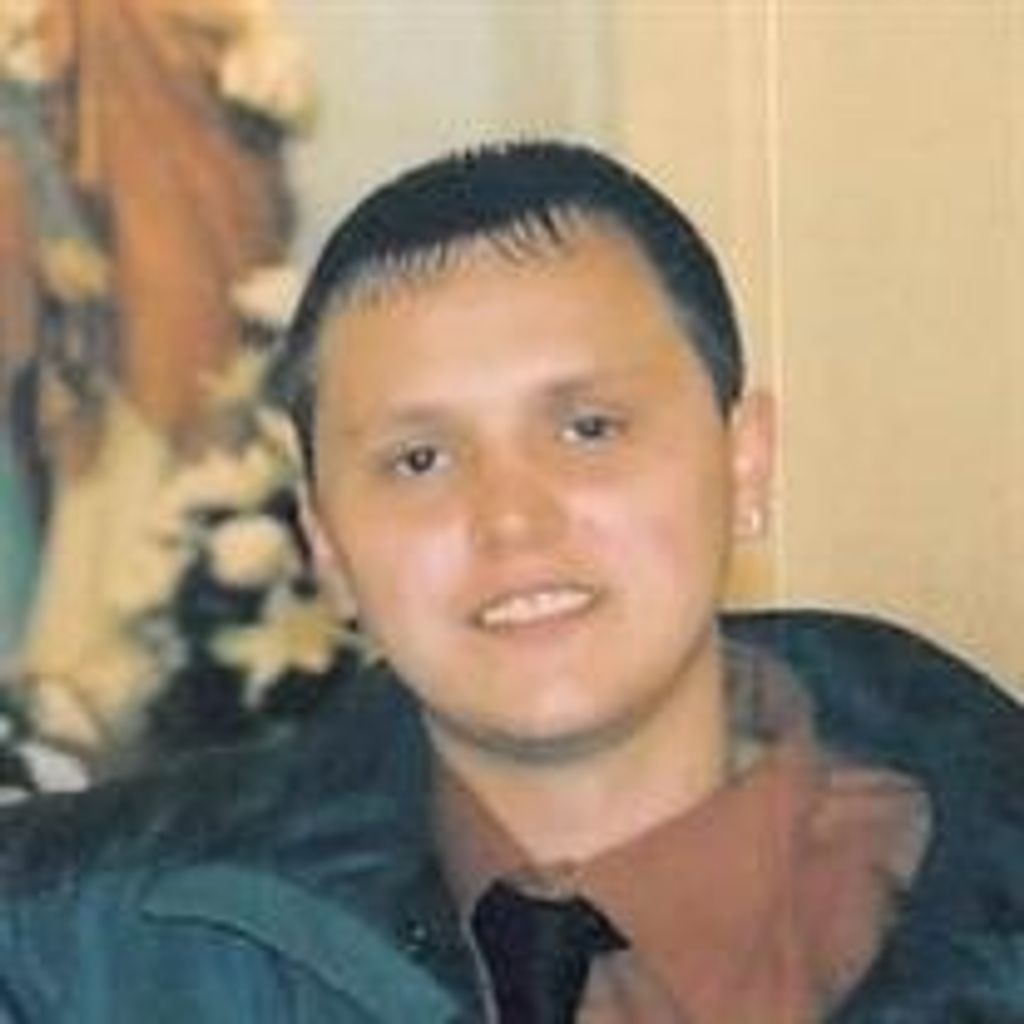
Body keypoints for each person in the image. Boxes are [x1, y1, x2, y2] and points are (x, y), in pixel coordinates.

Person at [0, 141, 1020, 1023]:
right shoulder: (79, 948)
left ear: (742, 461)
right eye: (418, 460)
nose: (511, 520)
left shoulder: (982, 877)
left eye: (589, 429)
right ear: (325, 544)